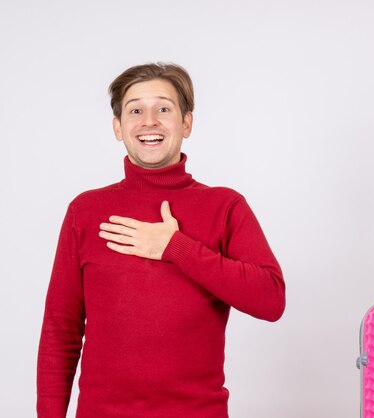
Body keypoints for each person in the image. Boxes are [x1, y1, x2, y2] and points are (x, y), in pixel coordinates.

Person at [37, 63, 286, 418]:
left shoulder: (225, 206)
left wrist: (175, 248)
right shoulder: (85, 211)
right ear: (118, 127)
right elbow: (61, 328)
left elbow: (270, 299)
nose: (149, 121)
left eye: (163, 109)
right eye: (135, 109)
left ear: (186, 123)